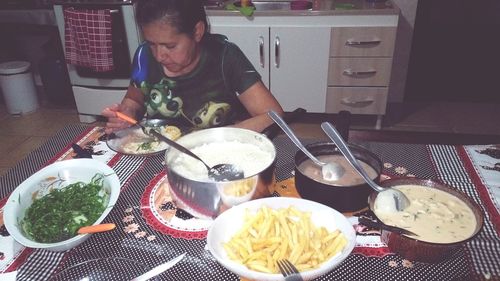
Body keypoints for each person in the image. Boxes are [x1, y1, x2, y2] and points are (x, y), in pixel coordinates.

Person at [102, 0, 284, 134]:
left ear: (197, 32)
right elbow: (134, 100)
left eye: (170, 46)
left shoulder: (225, 56)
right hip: (157, 151)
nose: (158, 55)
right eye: (151, 43)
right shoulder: (144, 55)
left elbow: (274, 116)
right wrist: (126, 114)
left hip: (213, 153)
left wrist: (222, 136)